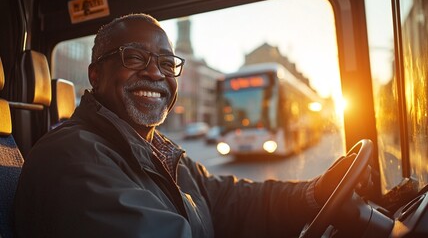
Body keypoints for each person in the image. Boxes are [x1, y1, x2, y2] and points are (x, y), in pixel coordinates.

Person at [13, 13, 365, 238]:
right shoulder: (70, 159)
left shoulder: (158, 151)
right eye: (134, 57)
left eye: (167, 63)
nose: (155, 72)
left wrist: (315, 193)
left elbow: (227, 199)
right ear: (96, 74)